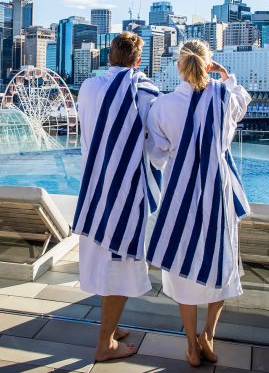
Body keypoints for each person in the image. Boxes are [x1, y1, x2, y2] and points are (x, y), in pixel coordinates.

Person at [145, 40, 251, 366]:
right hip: (217, 195)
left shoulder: (163, 106)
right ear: (209, 64)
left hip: (179, 197)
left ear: (179, 65)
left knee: (181, 269)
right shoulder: (223, 97)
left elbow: (157, 155)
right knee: (222, 263)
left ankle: (191, 345)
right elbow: (243, 103)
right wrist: (226, 76)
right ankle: (209, 334)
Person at [73, 31, 160, 361]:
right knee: (119, 265)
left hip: (93, 189)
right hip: (126, 193)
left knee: (103, 260)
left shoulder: (88, 88)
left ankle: (112, 326)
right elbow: (155, 144)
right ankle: (105, 343)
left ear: (109, 56)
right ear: (138, 61)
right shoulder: (145, 92)